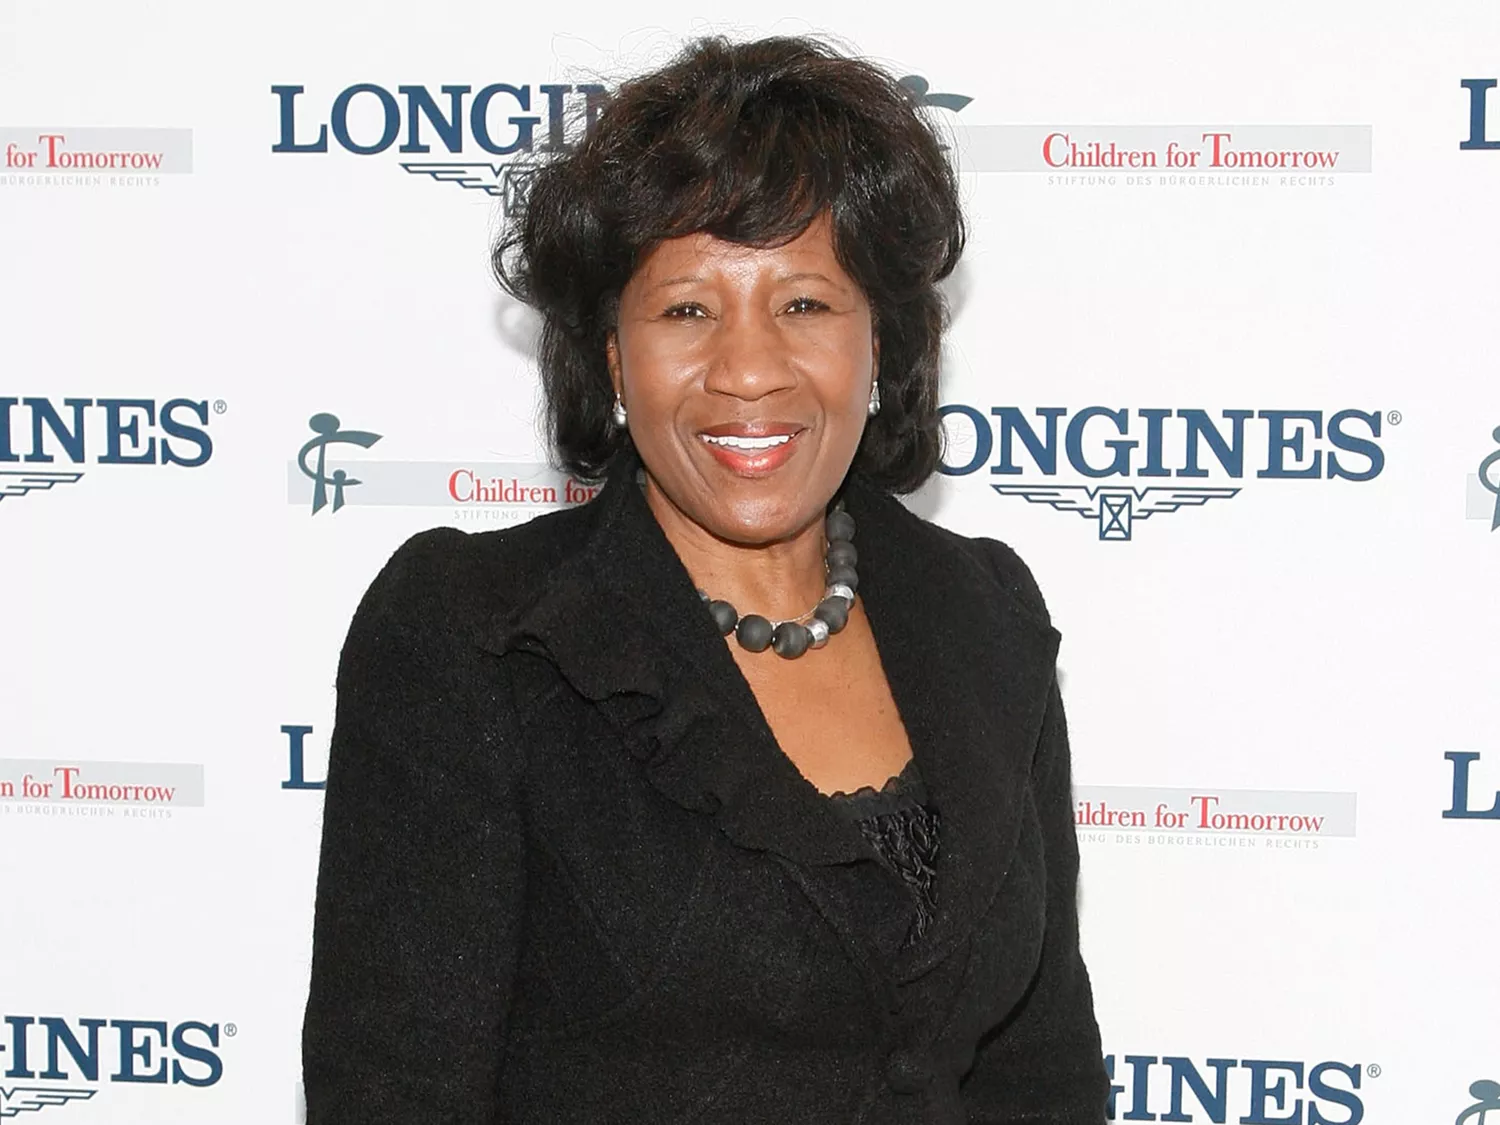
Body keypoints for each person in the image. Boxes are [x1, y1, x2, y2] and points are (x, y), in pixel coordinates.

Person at [301, 34, 1109, 1124]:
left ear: (884, 345)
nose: (748, 369)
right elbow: (394, 1094)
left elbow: (1041, 1068)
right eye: (686, 309)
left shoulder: (989, 614)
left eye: (805, 304)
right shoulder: (476, 636)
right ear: (609, 358)